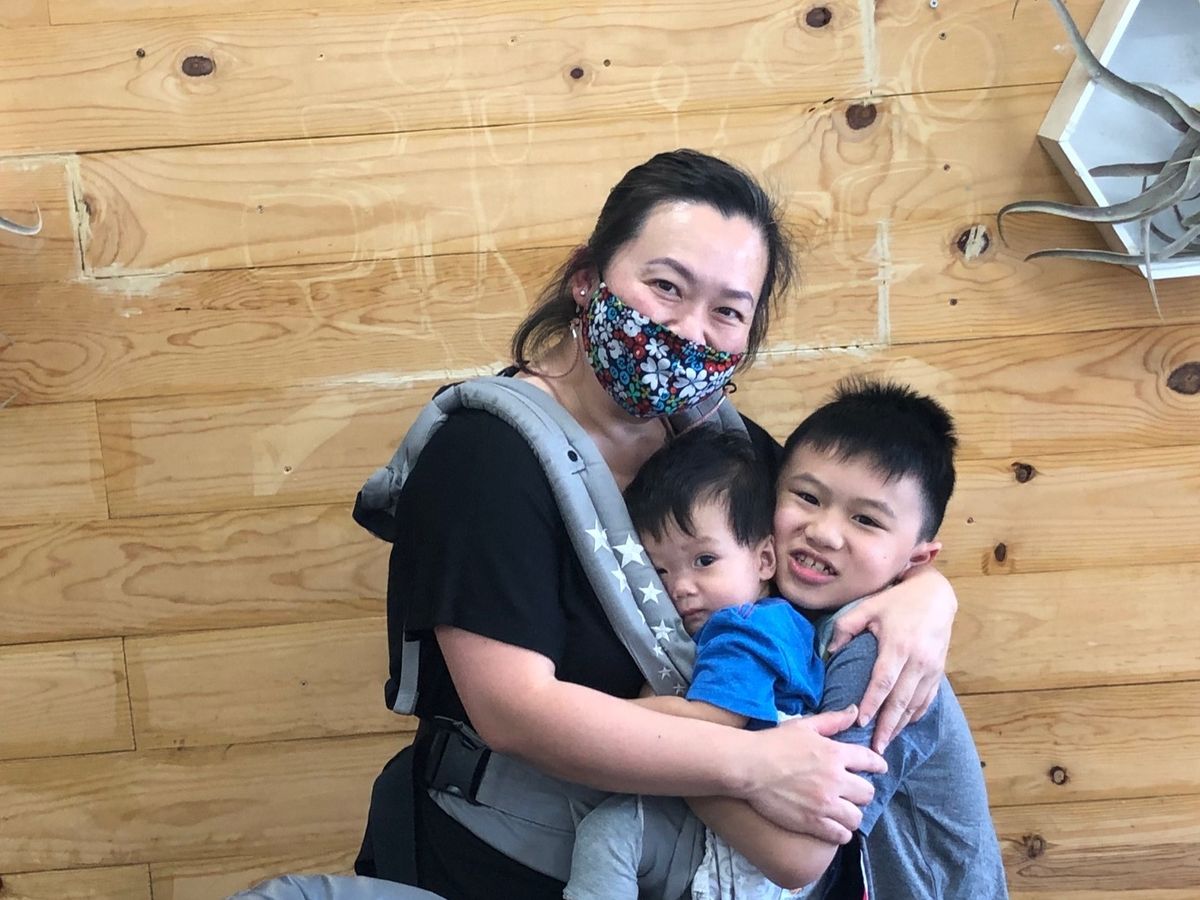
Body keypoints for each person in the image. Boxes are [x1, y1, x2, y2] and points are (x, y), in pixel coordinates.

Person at [353, 149, 960, 899]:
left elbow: (833, 548)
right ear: (588, 278)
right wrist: (754, 765)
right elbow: (514, 711)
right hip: (518, 861)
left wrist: (927, 596)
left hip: (698, 863)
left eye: (728, 311)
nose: (689, 330)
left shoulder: (724, 449)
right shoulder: (484, 458)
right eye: (666, 286)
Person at [689, 379, 1008, 899]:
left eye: (865, 519)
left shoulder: (874, 653)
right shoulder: (777, 615)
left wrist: (665, 761)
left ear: (917, 559)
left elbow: (801, 856)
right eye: (807, 497)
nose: (823, 532)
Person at [565, 428, 827, 900]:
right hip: (735, 818)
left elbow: (712, 721)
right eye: (660, 570)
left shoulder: (749, 628)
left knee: (610, 832)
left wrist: (605, 714)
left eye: (704, 559)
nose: (680, 587)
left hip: (757, 839)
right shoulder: (761, 624)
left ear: (765, 558)